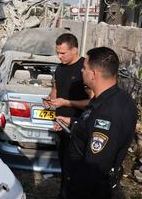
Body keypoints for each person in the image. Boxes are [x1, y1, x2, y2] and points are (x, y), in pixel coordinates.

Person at [55, 47, 138, 199]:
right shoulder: (116, 98)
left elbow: (95, 166)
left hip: (86, 190)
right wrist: (72, 122)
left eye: (85, 68)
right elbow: (91, 126)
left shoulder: (107, 112)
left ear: (93, 74)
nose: (81, 71)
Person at [43, 33, 91, 199]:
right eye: (57, 52)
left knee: (76, 169)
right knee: (64, 166)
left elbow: (92, 102)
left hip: (79, 128)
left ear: (75, 50)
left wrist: (65, 103)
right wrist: (50, 99)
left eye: (63, 53)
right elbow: (56, 89)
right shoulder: (60, 68)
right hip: (60, 126)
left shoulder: (85, 69)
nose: (59, 56)